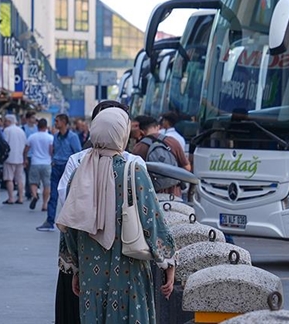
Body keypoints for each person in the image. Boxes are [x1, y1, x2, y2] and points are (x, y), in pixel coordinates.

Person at [57, 108, 176, 324]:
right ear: (122, 133)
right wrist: (168, 262)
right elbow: (153, 222)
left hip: (91, 275)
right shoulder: (134, 171)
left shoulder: (79, 173)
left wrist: (75, 268)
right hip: (130, 274)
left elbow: (70, 227)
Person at [38, 114, 82, 231]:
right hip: (56, 166)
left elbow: (78, 153)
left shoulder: (73, 137)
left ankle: (70, 222)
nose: (55, 123)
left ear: (63, 122)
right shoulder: (56, 136)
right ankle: (50, 220)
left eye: (57, 121)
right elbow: (54, 150)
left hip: (67, 167)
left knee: (69, 195)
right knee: (53, 195)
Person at [131, 115, 192, 197]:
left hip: (150, 196)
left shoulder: (139, 147)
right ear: (157, 127)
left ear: (142, 131)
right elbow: (187, 168)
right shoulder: (172, 142)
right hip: (173, 195)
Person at [25, 118, 54, 211]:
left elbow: (26, 149)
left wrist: (24, 158)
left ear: (38, 126)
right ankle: (45, 204)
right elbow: (51, 151)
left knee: (33, 182)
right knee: (47, 184)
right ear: (46, 127)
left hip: (35, 162)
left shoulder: (32, 137)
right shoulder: (50, 137)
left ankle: (34, 195)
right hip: (47, 163)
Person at [2, 114, 28, 205]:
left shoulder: (7, 130)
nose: (4, 123)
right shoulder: (21, 131)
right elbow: (25, 144)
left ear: (9, 121)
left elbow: (4, 144)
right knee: (19, 179)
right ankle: (20, 198)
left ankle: (11, 198)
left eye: (5, 121)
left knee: (9, 178)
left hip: (9, 158)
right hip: (20, 158)